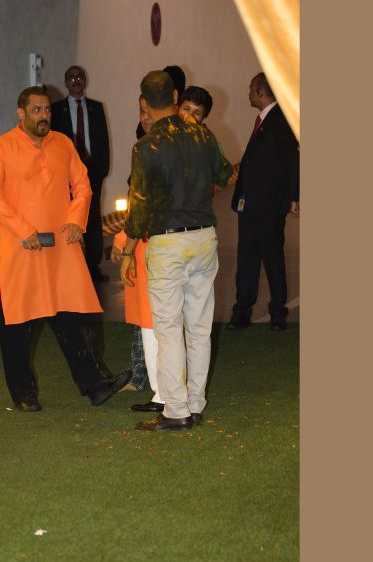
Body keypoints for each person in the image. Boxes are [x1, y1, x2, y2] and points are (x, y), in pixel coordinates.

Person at [0, 86, 131, 412]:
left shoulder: (63, 144)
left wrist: (77, 220)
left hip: (62, 247)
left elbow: (83, 185)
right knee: (18, 323)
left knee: (72, 317)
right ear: (21, 113)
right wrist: (23, 230)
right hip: (22, 248)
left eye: (47, 109)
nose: (44, 115)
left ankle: (95, 385)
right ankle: (23, 393)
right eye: (36, 110)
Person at [120, 71, 233, 431]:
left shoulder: (145, 146)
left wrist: (128, 250)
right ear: (175, 96)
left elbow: (139, 206)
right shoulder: (202, 133)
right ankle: (196, 404)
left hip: (167, 241)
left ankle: (176, 410)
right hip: (204, 236)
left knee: (169, 330)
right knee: (199, 328)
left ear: (144, 102)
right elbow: (225, 174)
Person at [226, 72, 300, 332]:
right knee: (247, 257)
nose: (248, 94)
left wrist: (294, 197)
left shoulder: (281, 120)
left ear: (260, 92)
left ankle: (278, 312)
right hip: (250, 204)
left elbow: (292, 161)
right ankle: (242, 312)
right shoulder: (265, 120)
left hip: (269, 205)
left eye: (250, 89)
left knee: (272, 258)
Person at [51, 66, 111, 283]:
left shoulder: (96, 108)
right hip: (65, 173)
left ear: (85, 80)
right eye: (71, 77)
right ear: (66, 82)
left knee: (92, 217)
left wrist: (102, 170)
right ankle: (68, 267)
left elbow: (103, 141)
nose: (76, 80)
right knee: (66, 217)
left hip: (92, 171)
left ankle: (93, 267)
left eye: (79, 77)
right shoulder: (56, 109)